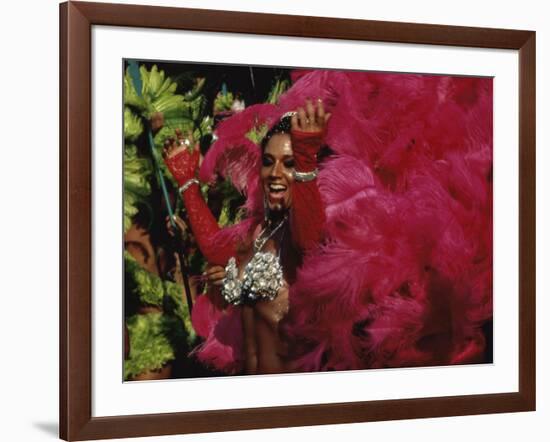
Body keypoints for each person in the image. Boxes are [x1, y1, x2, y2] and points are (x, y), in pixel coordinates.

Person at [163, 99, 330, 375]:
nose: (275, 174)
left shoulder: (307, 231)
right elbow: (216, 249)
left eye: (289, 163)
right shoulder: (261, 230)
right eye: (268, 162)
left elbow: (308, 240)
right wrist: (188, 184)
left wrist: (306, 161)